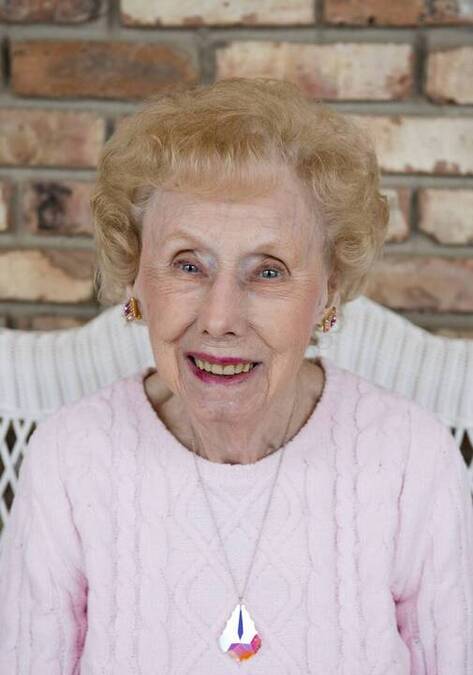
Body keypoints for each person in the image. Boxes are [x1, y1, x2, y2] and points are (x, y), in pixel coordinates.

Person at [0, 78, 471, 674]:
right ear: (135, 278)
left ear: (328, 292)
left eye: (268, 272)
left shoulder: (409, 463)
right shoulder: (70, 460)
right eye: (188, 265)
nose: (220, 318)